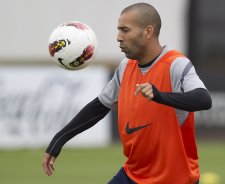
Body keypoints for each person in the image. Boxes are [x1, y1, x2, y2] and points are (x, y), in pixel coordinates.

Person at [42, 2, 212, 184]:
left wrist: (159, 95)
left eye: (125, 30)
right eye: (118, 30)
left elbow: (203, 99)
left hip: (175, 179)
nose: (118, 37)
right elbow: (99, 106)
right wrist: (59, 138)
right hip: (133, 174)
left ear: (147, 32)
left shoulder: (176, 64)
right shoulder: (125, 67)